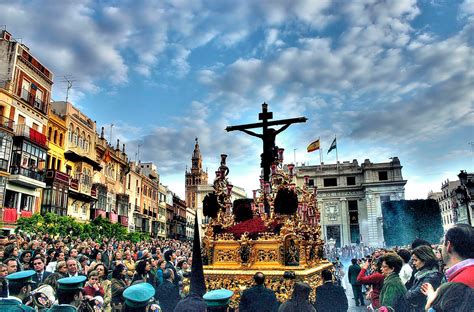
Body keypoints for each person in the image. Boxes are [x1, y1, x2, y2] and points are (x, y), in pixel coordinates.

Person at [405, 245, 443, 311]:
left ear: (425, 260)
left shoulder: (431, 277)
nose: (413, 263)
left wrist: (408, 292)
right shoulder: (422, 275)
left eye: (415, 260)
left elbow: (413, 296)